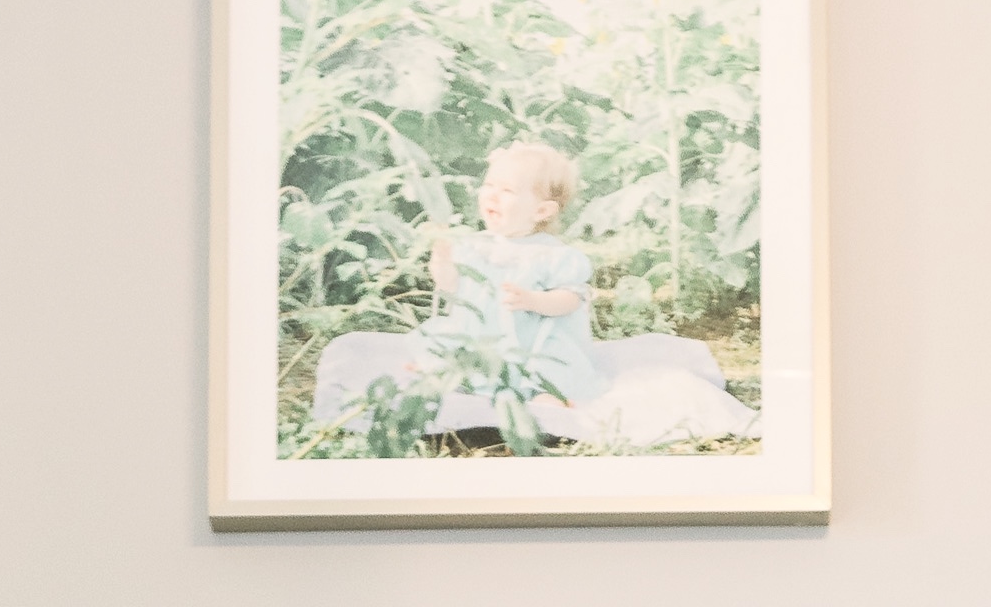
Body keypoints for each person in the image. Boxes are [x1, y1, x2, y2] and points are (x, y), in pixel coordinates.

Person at [310, 139, 739, 457]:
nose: (491, 196)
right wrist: (441, 261)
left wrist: (535, 300)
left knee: (541, 375)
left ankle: (543, 399)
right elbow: (451, 287)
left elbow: (570, 301)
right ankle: (456, 379)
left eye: (508, 191)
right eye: (489, 186)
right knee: (449, 357)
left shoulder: (557, 257)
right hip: (480, 338)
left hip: (533, 343)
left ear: (542, 212)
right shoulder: (473, 246)